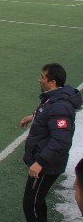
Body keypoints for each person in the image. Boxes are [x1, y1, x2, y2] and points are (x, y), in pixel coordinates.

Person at [19, 63, 81, 222]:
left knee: (31, 204)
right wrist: (33, 116)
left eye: (42, 77)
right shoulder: (55, 97)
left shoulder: (60, 105)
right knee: (36, 202)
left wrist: (40, 162)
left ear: (52, 82)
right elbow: (48, 109)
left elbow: (61, 140)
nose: (39, 80)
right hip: (45, 161)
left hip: (47, 165)